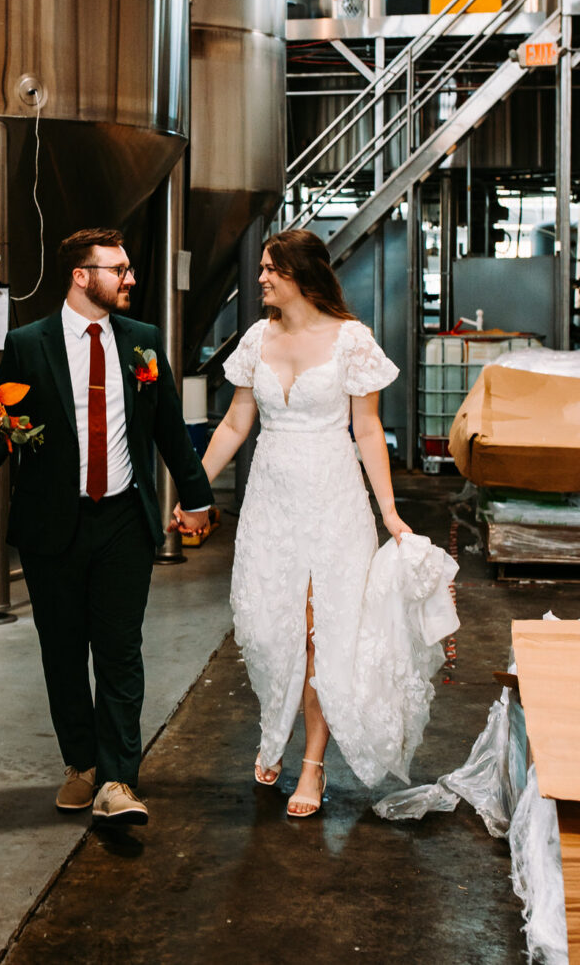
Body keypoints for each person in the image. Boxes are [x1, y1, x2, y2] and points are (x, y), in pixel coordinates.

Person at [0, 227, 213, 827]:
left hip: (123, 520)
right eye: (118, 269)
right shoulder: (27, 344)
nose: (131, 279)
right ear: (81, 276)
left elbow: (170, 424)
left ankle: (118, 779)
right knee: (62, 653)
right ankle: (81, 766)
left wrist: (196, 498)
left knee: (119, 652)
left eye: (129, 267)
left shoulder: (142, 342)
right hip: (51, 526)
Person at [196, 227, 417, 818]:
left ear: (298, 274)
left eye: (270, 268)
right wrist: (194, 491)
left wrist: (390, 512)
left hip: (333, 499)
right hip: (270, 501)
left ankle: (313, 764)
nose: (261, 277)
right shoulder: (256, 339)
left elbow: (368, 431)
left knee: (322, 637)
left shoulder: (351, 340)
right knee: (269, 631)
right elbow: (235, 425)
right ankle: (275, 732)